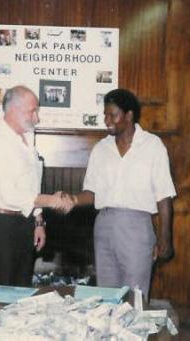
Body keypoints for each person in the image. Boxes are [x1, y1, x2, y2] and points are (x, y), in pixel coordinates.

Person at [38, 88, 177, 300]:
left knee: (135, 296)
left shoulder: (153, 146)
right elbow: (92, 192)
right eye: (105, 114)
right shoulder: (101, 148)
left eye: (112, 114)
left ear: (129, 115)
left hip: (136, 227)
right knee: (107, 296)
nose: (106, 119)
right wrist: (73, 199)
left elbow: (164, 196)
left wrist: (166, 238)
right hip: (103, 225)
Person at [0, 85, 47, 286]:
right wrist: (51, 200)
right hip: (1, 227)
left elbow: (33, 183)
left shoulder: (27, 140)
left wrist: (38, 221)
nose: (37, 118)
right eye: (32, 111)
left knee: (21, 291)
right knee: (0, 294)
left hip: (24, 224)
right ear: (13, 110)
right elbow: (10, 195)